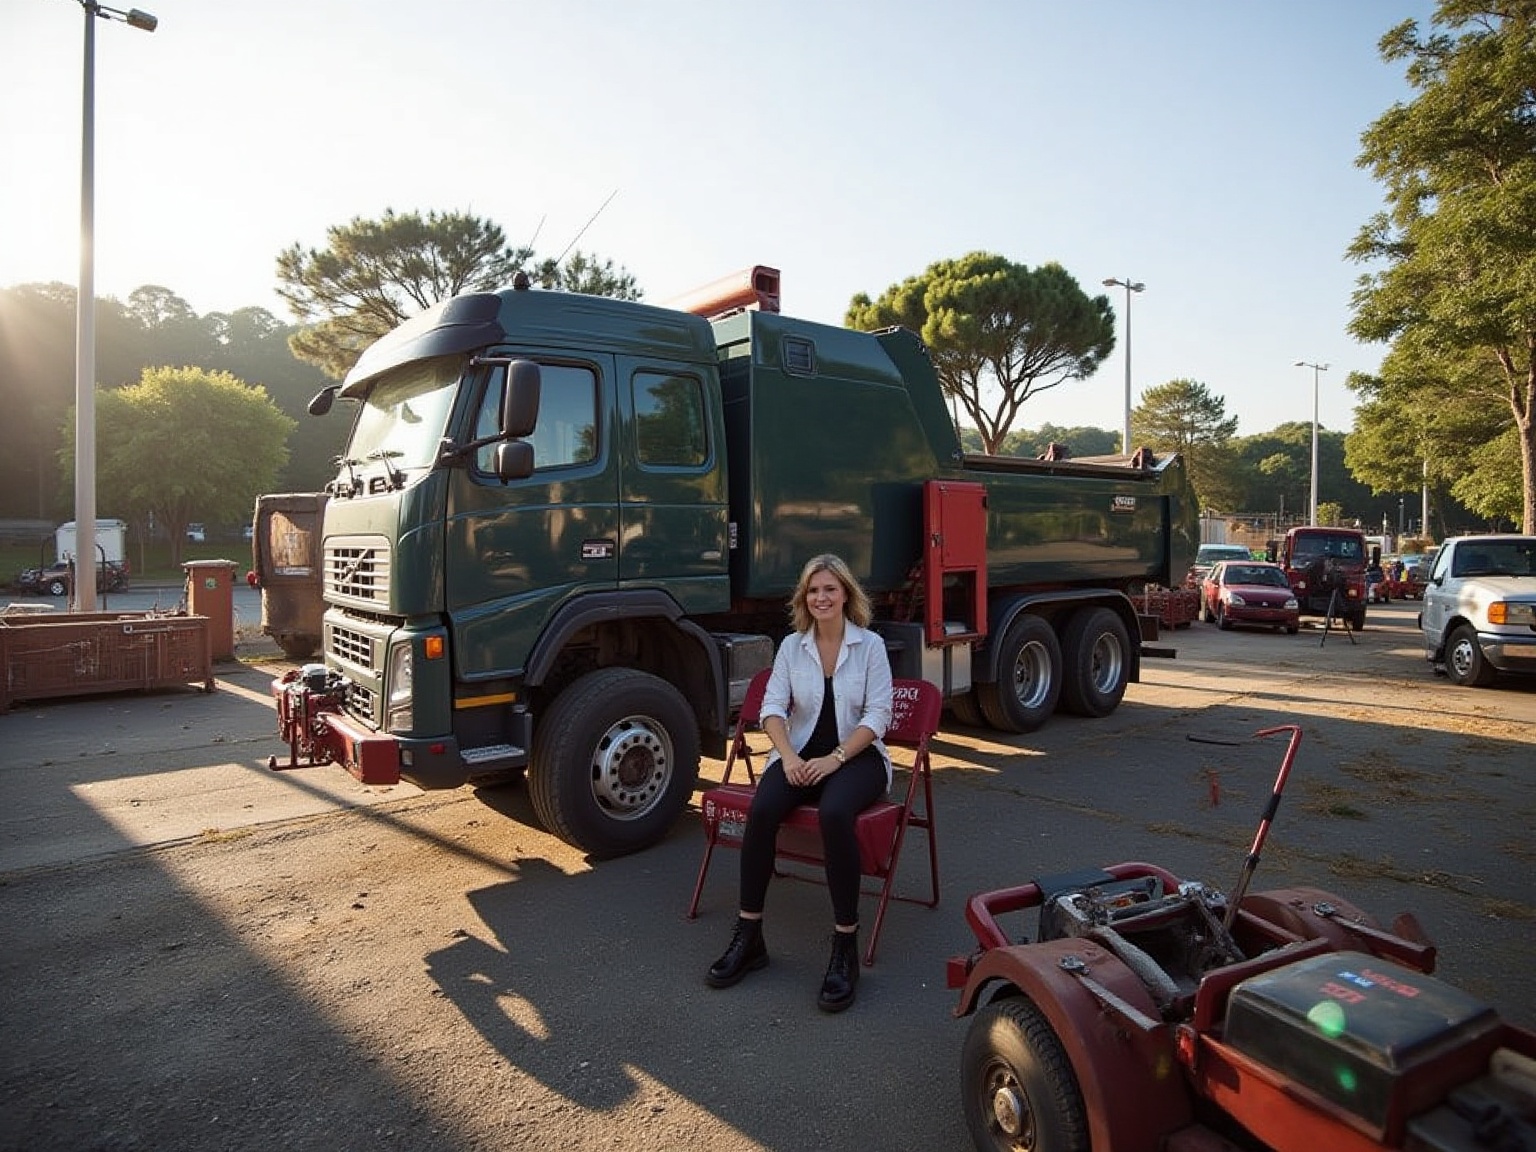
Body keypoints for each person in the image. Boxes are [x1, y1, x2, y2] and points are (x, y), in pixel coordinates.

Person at [705, 553, 894, 1012]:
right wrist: (788, 758)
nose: (821, 597)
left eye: (830, 588)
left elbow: (878, 715)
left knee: (834, 813)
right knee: (764, 809)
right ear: (803, 598)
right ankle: (750, 937)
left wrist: (835, 759)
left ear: (846, 593)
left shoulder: (869, 646)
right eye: (813, 590)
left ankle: (844, 945)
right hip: (800, 756)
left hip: (859, 757)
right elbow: (771, 710)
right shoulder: (792, 646)